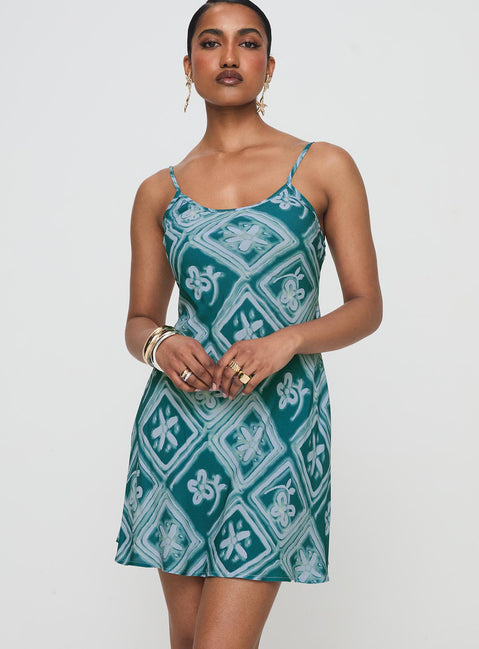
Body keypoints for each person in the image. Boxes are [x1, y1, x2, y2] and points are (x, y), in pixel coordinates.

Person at [114, 0, 383, 647]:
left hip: (280, 428)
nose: (230, 56)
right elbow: (138, 320)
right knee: (186, 640)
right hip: (178, 431)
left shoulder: (322, 166)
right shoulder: (159, 192)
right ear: (188, 66)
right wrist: (160, 343)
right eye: (211, 42)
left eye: (248, 42)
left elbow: (365, 305)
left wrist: (289, 339)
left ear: (269, 64)